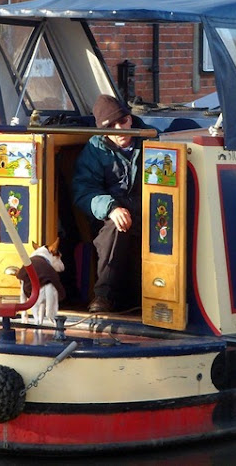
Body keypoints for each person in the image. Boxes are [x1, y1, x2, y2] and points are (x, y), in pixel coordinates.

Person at [72, 95, 144, 313]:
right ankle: (103, 296)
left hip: (147, 213)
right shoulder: (94, 150)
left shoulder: (152, 141)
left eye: (122, 122)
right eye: (111, 126)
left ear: (130, 119)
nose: (119, 129)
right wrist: (111, 208)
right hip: (107, 219)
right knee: (117, 225)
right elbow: (84, 191)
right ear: (103, 131)